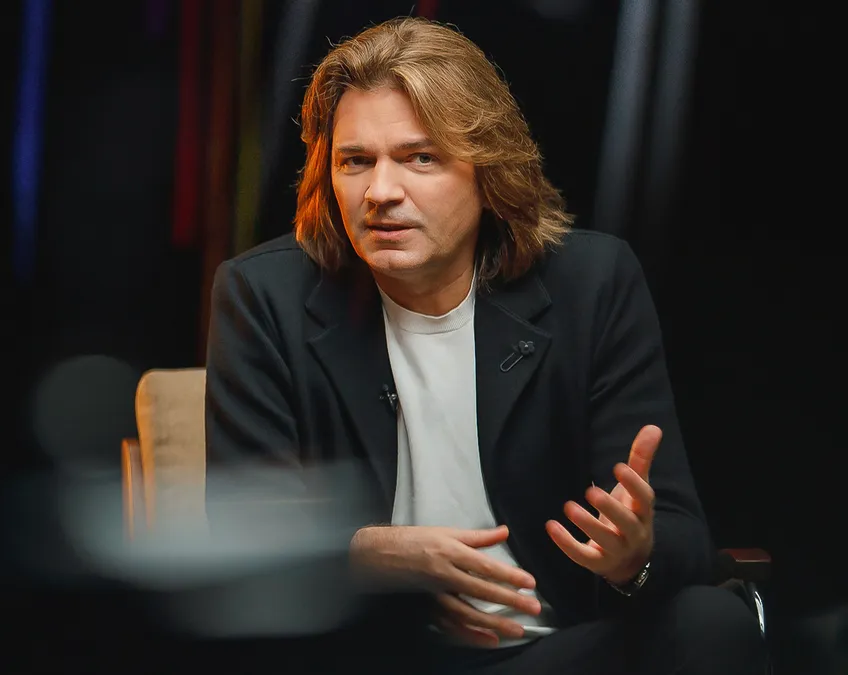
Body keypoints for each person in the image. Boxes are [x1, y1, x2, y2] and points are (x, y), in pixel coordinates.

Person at [204, 16, 765, 675]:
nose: (380, 192)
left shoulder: (591, 283)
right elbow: (245, 542)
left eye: (420, 158)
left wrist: (633, 558)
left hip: (554, 652)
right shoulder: (263, 296)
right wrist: (372, 554)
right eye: (355, 161)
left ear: (487, 168)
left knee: (712, 622)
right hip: (372, 658)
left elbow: (681, 538)